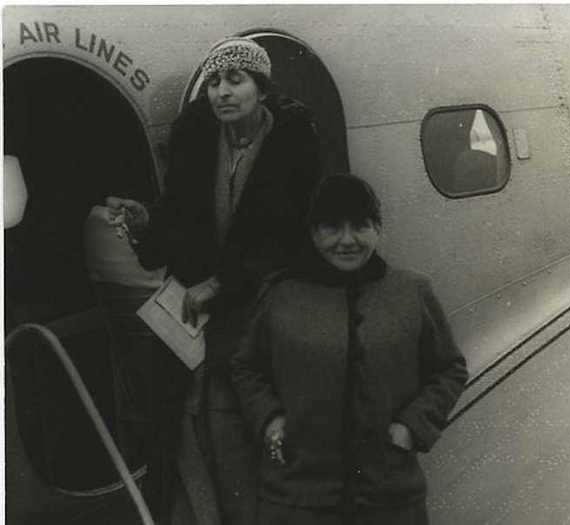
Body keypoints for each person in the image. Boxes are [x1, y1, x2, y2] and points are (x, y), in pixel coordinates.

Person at [106, 36, 321, 525]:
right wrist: (145, 222)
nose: (222, 92)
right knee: (189, 426)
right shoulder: (197, 140)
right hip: (196, 317)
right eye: (214, 82)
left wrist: (225, 284)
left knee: (247, 428)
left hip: (260, 310)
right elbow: (177, 218)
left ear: (261, 89)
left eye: (235, 80)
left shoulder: (293, 144)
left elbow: (294, 239)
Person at [231, 174, 468, 525]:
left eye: (360, 226)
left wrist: (412, 426)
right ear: (313, 233)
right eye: (331, 228)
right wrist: (269, 419)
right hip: (298, 498)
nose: (347, 240)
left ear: (378, 230)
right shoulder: (280, 295)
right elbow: (245, 366)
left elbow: (450, 368)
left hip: (389, 498)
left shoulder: (412, 292)